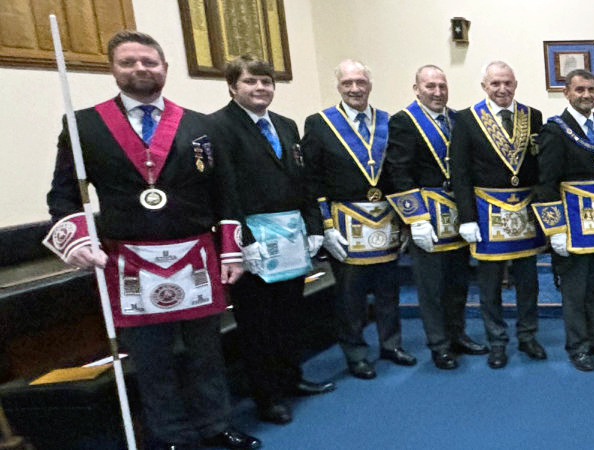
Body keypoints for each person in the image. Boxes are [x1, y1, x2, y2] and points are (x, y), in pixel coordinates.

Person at [42, 30, 260, 449]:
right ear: (113, 69)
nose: (140, 69)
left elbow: (225, 193)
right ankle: (171, 434)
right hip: (129, 261)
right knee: (152, 358)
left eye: (149, 62)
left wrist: (232, 250)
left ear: (164, 68)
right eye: (129, 62)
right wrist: (78, 242)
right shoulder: (83, 124)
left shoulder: (201, 124)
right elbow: (64, 194)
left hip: (196, 255)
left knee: (205, 352)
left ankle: (215, 424)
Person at [210, 54, 333, 426]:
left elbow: (303, 181)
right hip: (251, 242)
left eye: (266, 81)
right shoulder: (218, 127)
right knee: (257, 324)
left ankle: (290, 378)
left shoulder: (286, 125)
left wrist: (314, 226)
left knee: (289, 315)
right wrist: (240, 241)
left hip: (291, 237)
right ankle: (268, 396)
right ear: (233, 86)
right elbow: (223, 190)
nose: (260, 88)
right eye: (251, 82)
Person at [302, 59, 414, 380]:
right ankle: (355, 352)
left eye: (360, 82)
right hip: (346, 222)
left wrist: (406, 219)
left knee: (388, 290)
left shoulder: (388, 122)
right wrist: (324, 228)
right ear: (338, 85)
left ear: (369, 84)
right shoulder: (320, 124)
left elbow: (397, 175)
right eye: (348, 83)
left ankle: (391, 344)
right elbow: (313, 180)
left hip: (386, 220)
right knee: (350, 296)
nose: (355, 89)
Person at [384, 65, 489, 370]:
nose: (437, 92)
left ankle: (457, 335)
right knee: (431, 287)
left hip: (457, 215)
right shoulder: (404, 121)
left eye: (442, 86)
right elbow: (398, 172)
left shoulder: (457, 119)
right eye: (430, 86)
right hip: (427, 217)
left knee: (458, 283)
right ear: (416, 89)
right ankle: (439, 344)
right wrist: (415, 218)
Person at [450, 61, 550, 369]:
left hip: (524, 210)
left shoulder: (532, 116)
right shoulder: (467, 119)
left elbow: (539, 166)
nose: (502, 89)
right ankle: (496, 340)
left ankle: (528, 335)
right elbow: (460, 172)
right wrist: (466, 217)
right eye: (495, 84)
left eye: (507, 82)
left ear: (516, 83)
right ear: (484, 87)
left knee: (528, 281)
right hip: (486, 211)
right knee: (490, 284)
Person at [533, 69, 594, 372]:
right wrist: (555, 230)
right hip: (572, 227)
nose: (586, 95)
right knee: (575, 292)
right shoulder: (554, 131)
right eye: (580, 90)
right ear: (567, 93)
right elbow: (545, 183)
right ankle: (578, 346)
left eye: (591, 89)